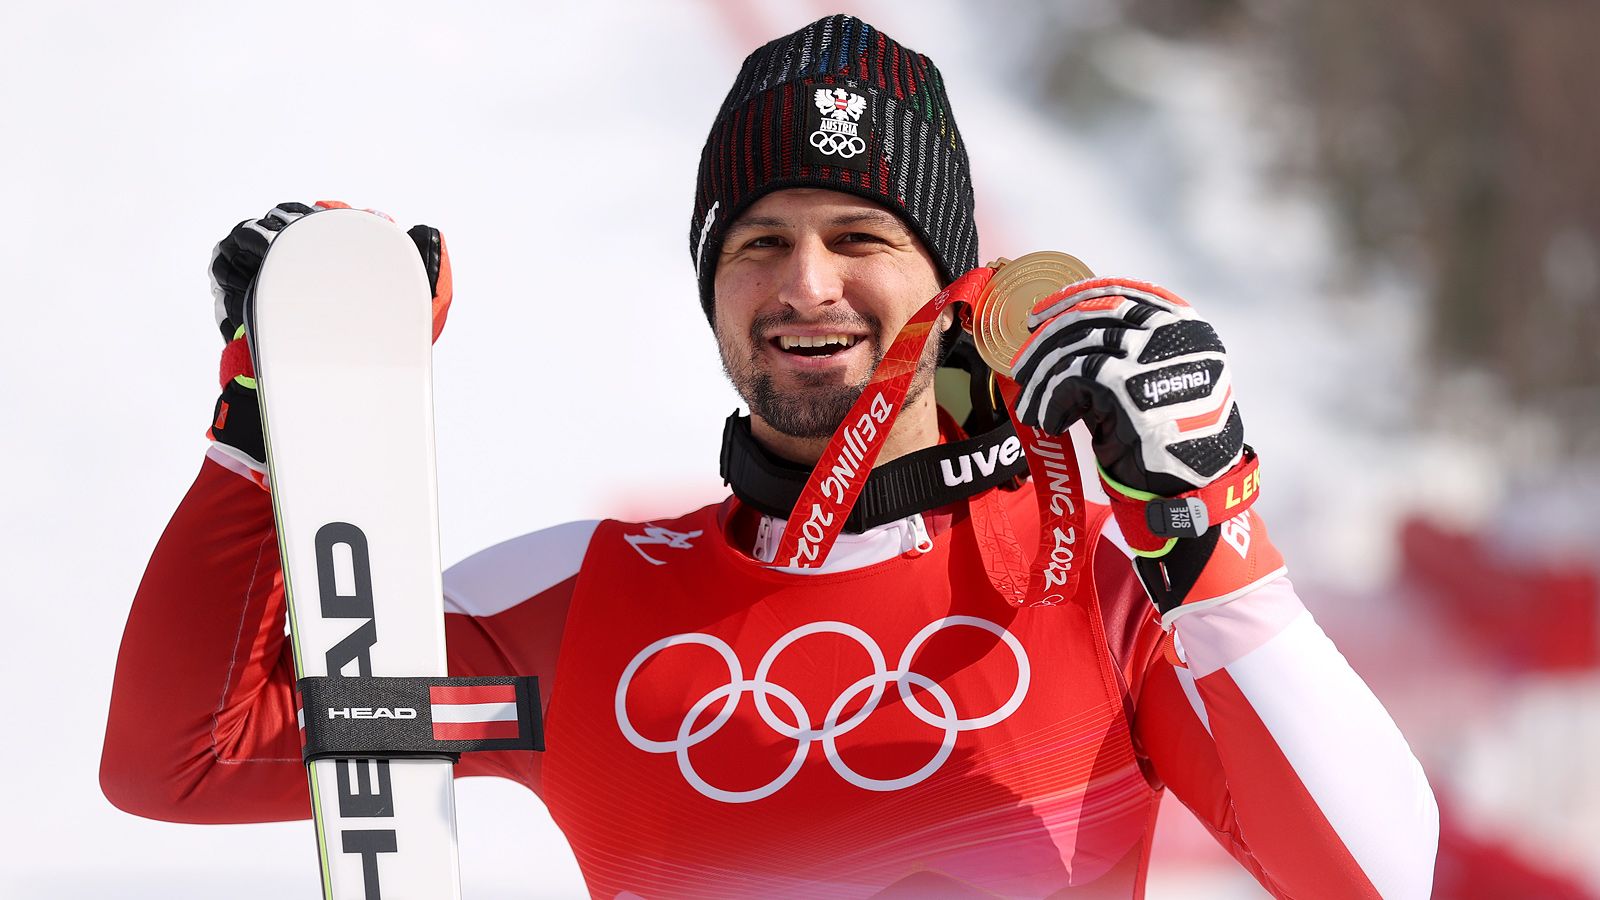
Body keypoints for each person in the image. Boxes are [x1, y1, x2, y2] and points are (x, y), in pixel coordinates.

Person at [101, 14, 1439, 899]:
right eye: (760, 242)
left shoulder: (1096, 583)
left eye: (861, 238)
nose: (808, 284)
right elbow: (189, 756)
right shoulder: (573, 629)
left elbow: (1379, 876)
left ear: (950, 283)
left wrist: (1207, 528)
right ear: (712, 285)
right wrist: (271, 419)